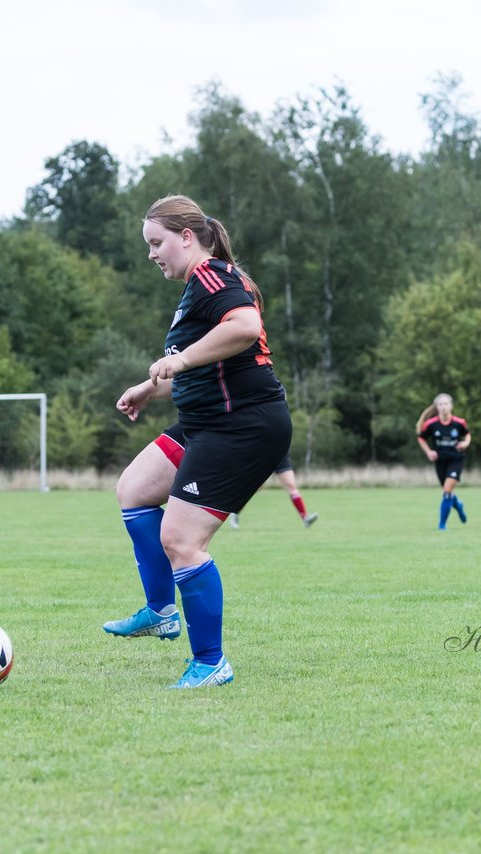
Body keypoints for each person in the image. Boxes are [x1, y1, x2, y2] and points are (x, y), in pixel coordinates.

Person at [104, 195, 292, 689]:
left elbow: (245, 329)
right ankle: (161, 610)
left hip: (242, 427)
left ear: (187, 237)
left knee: (182, 541)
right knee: (135, 489)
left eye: (156, 242)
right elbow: (206, 364)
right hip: (207, 422)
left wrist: (181, 361)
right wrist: (151, 387)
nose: (151, 254)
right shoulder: (198, 287)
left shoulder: (212, 275)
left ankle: (211, 663)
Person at [416, 393, 471, 530]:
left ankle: (442, 525)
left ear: (451, 406)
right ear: (437, 407)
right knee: (448, 493)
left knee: (446, 491)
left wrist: (465, 443)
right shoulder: (431, 424)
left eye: (446, 404)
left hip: (456, 460)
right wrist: (429, 451)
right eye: (441, 404)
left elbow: (468, 434)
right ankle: (458, 505)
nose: (444, 407)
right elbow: (421, 438)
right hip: (440, 462)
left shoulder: (459, 423)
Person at [227, 454, 318, 528]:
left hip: (281, 455)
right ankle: (235, 513)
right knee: (254, 488)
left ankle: (305, 518)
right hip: (264, 455)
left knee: (292, 487)